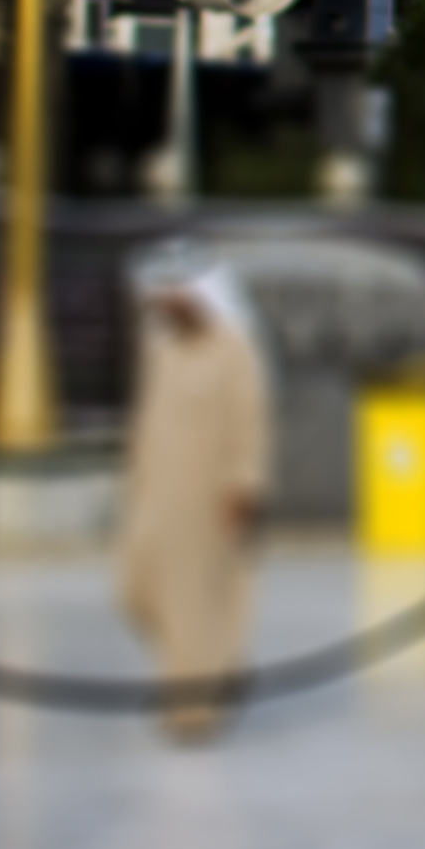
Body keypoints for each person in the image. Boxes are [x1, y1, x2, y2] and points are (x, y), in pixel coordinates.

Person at [114, 275, 270, 740]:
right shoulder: (162, 349)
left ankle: (192, 711)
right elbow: (146, 423)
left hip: (209, 497)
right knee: (137, 592)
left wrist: (243, 485)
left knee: (192, 605)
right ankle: (217, 668)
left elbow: (249, 419)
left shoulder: (234, 348)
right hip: (157, 496)